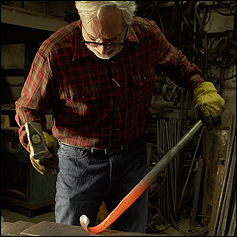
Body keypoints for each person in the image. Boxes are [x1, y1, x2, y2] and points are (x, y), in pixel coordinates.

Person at [15, 1, 225, 233]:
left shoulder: (148, 36)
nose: (103, 49)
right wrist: (37, 141)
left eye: (113, 40)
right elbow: (29, 109)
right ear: (81, 20)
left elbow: (178, 64)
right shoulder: (55, 51)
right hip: (78, 162)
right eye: (93, 39)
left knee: (131, 231)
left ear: (128, 22)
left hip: (130, 158)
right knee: (69, 231)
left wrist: (201, 87)